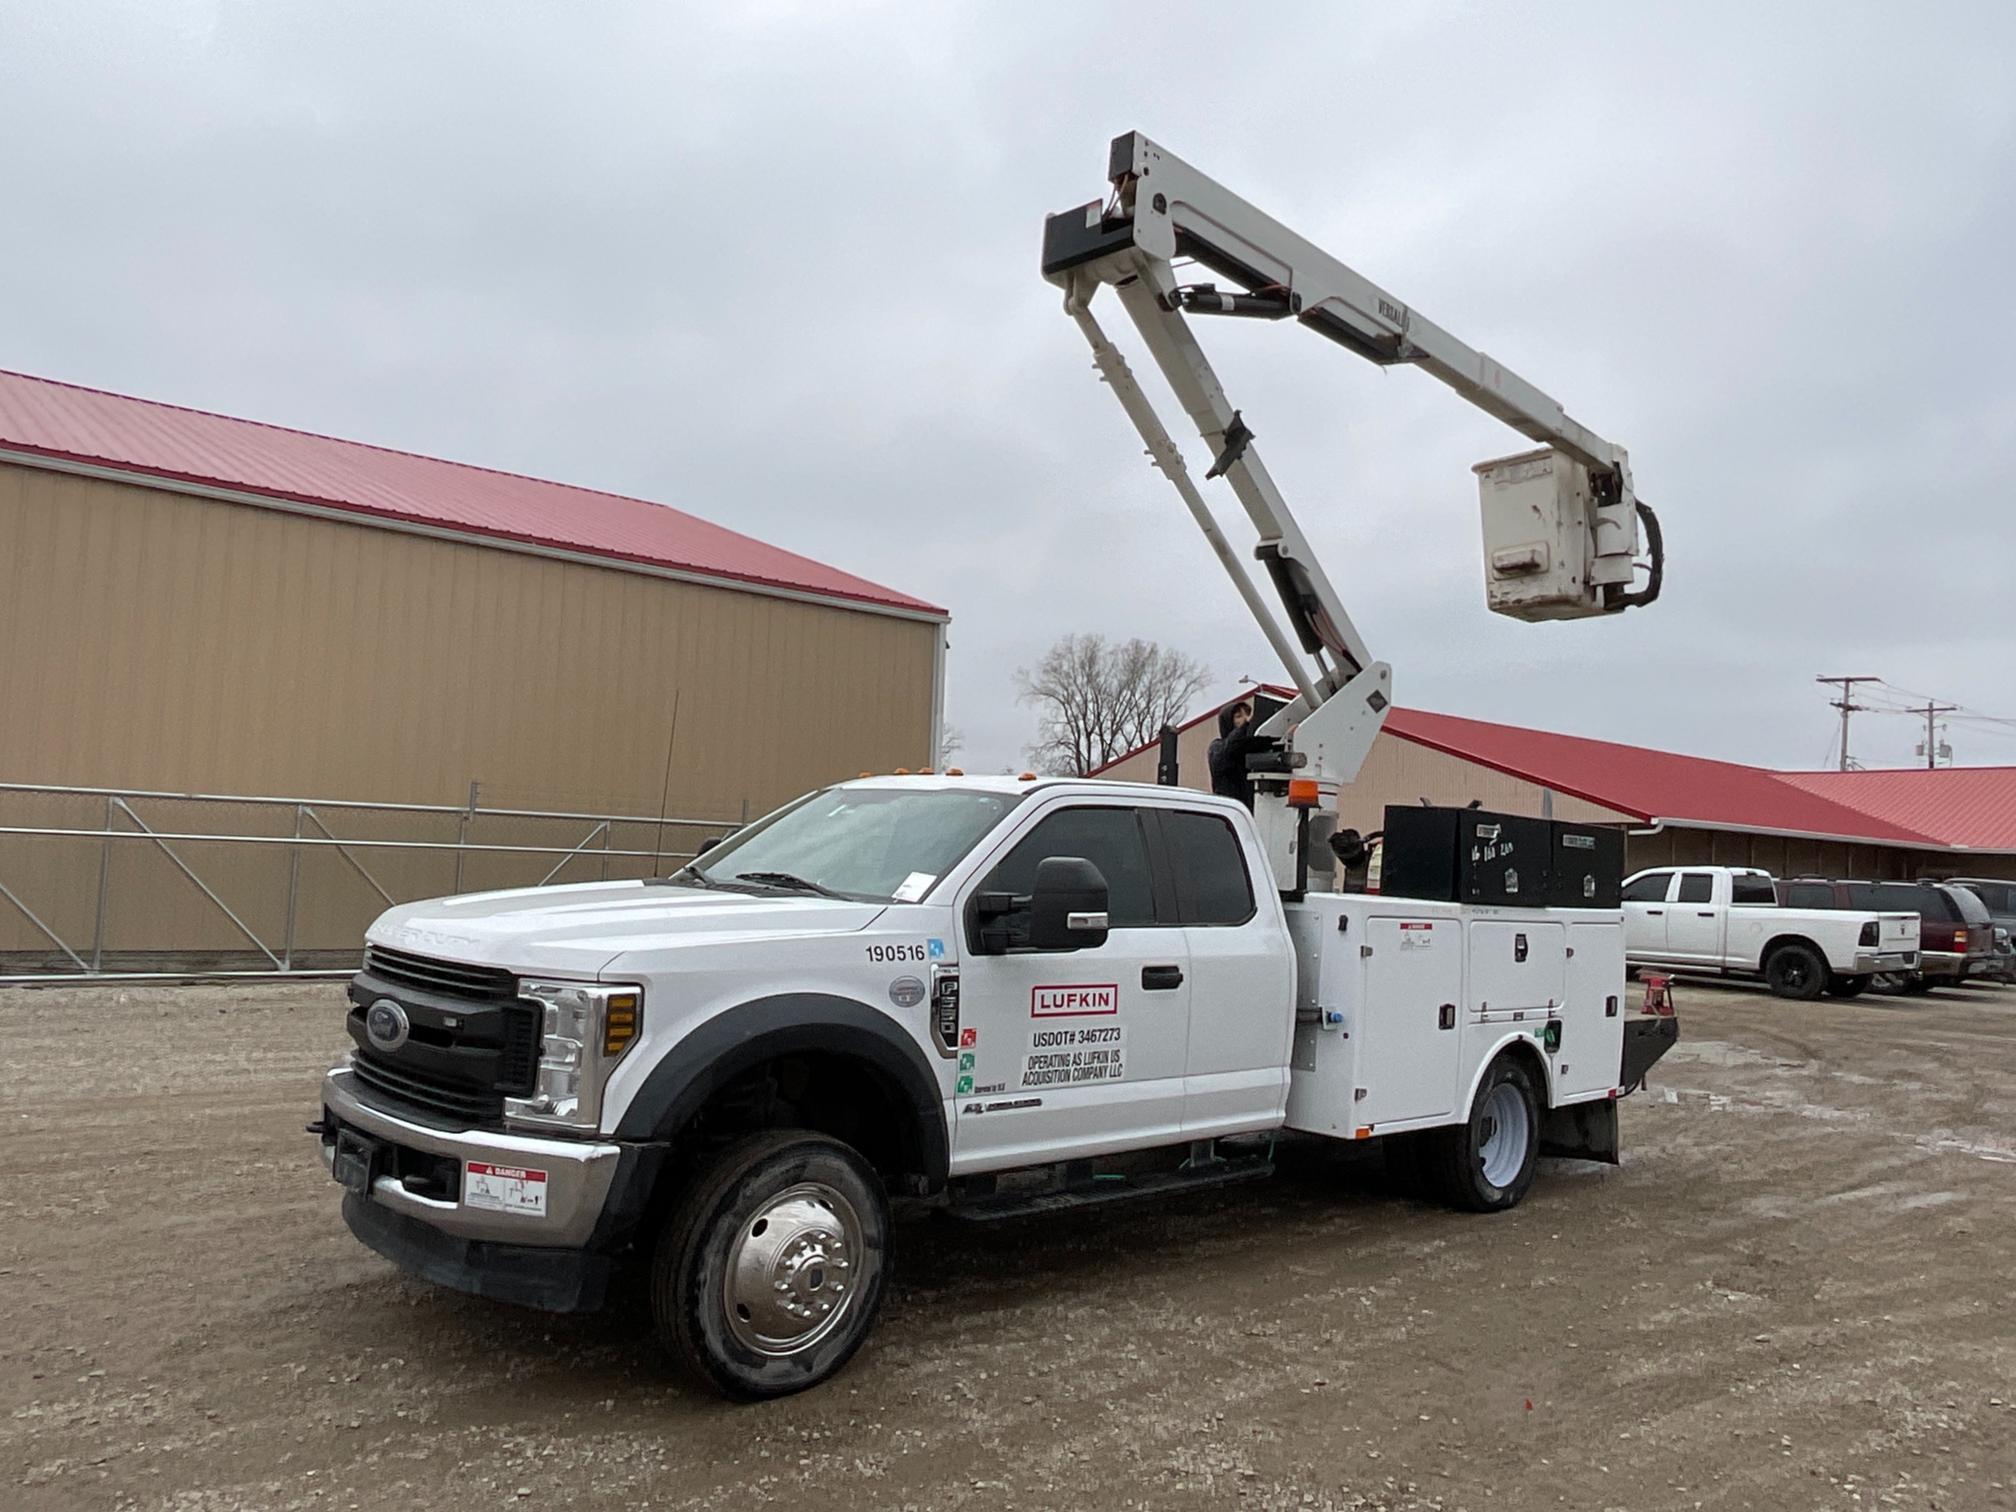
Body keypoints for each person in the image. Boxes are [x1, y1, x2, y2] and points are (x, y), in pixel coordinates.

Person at [1207, 699, 1259, 809]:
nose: (1246, 718)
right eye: (1239, 716)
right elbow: (1229, 749)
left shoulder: (1252, 747)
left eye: (1248, 714)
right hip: (1229, 809)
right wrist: (1245, 726)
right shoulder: (1217, 747)